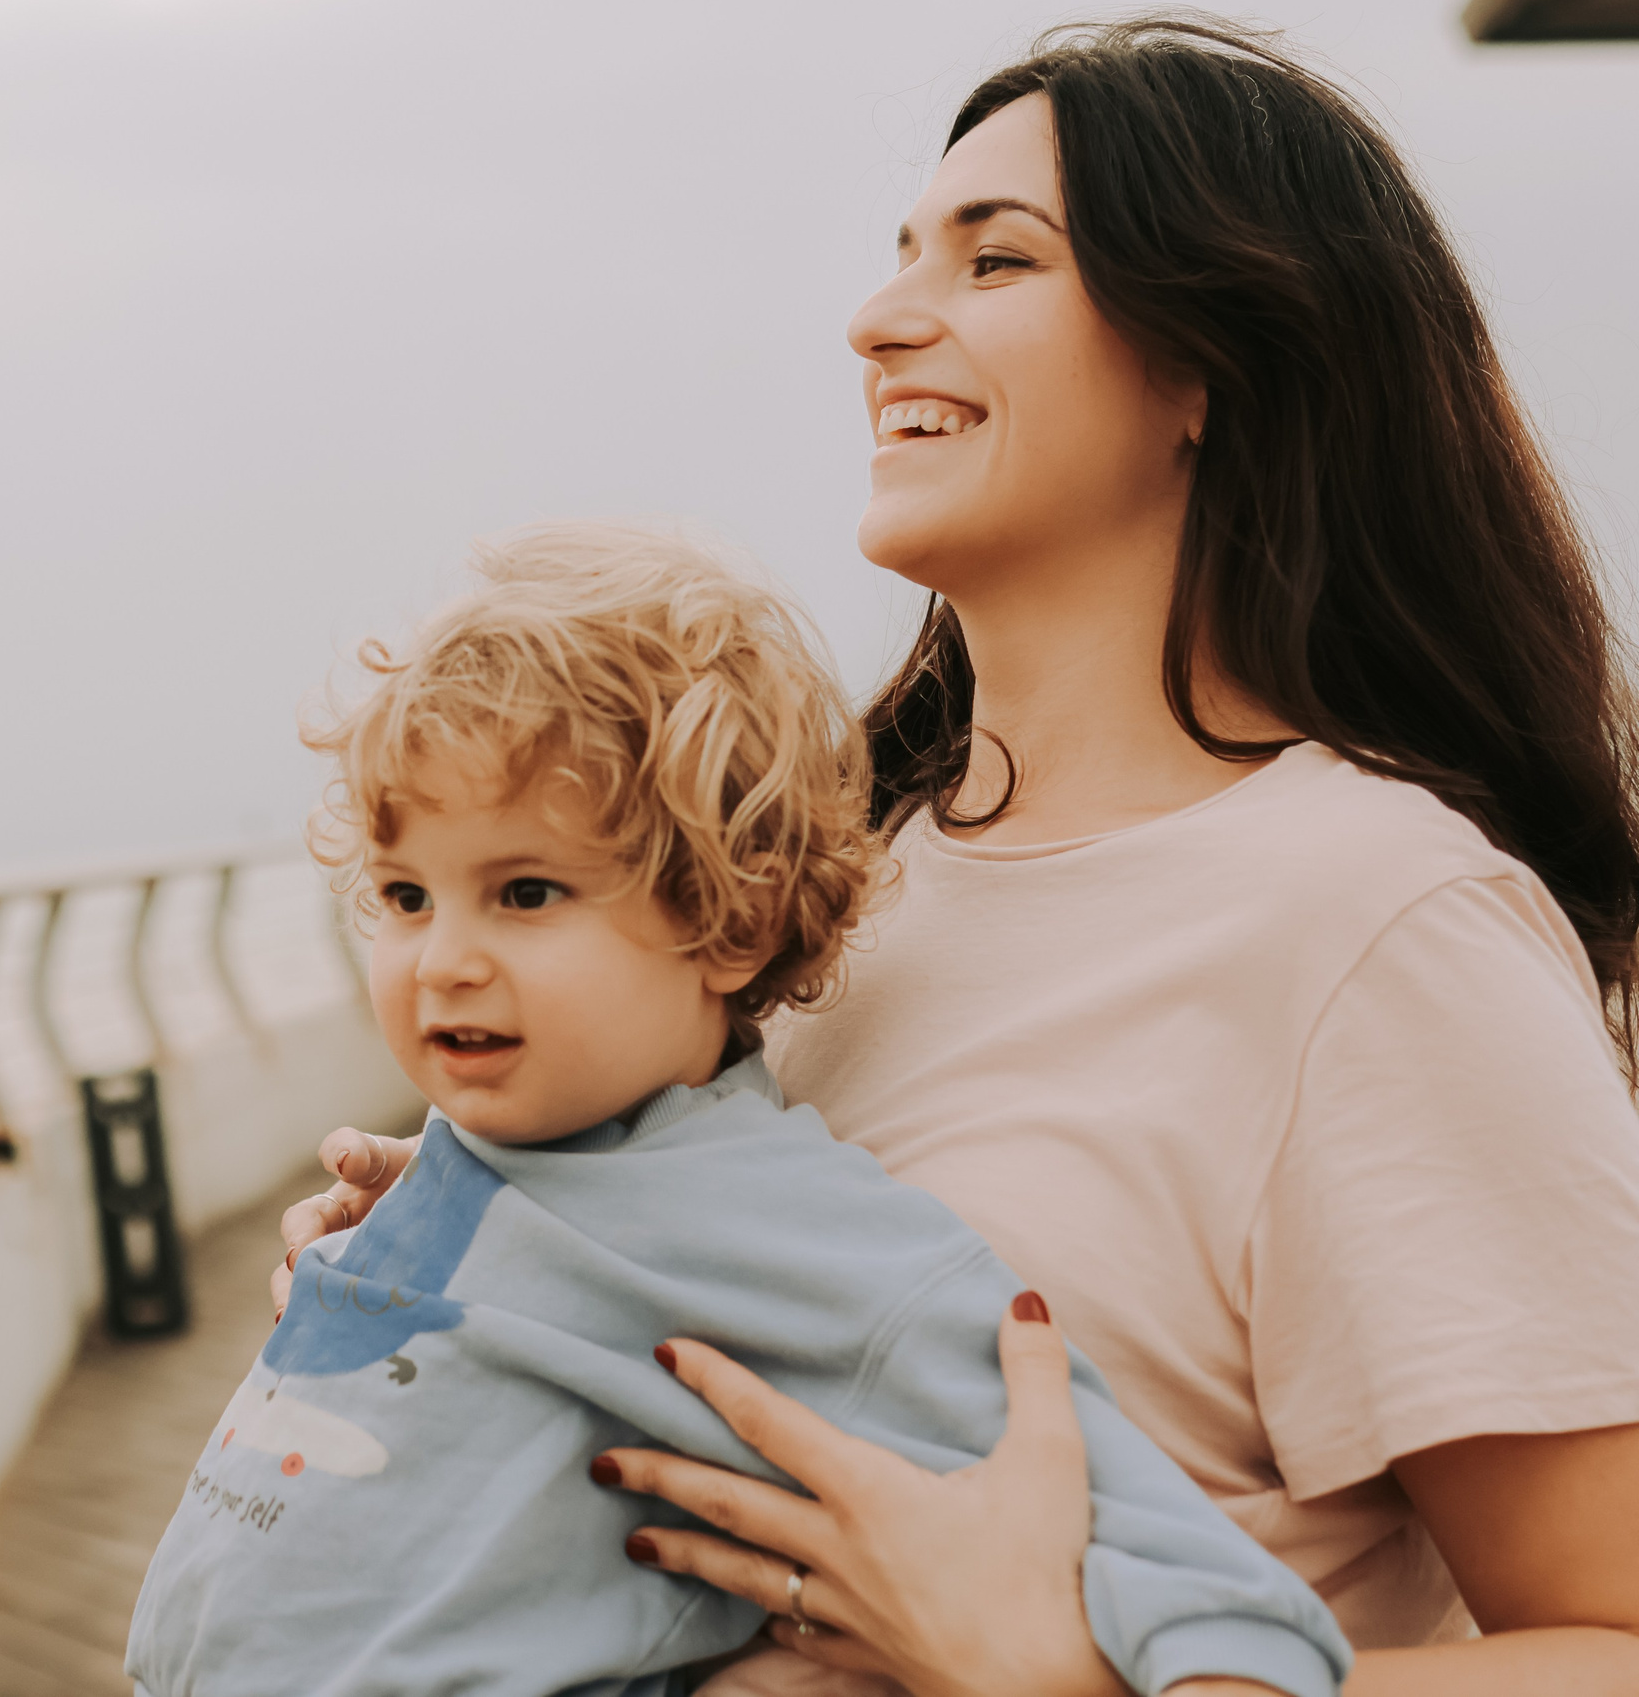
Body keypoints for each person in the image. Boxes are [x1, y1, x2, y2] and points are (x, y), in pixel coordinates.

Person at [275, 17, 1639, 1697]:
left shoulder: (1379, 918)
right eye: (903, 253)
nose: (879, 319)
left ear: (1216, 358)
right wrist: (509, 1255)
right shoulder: (840, 872)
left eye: (997, 260)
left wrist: (1079, 1673)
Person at [131, 528, 1350, 1697]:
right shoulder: (476, 1158)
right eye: (405, 895)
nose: (440, 959)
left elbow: (1208, 1593)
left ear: (731, 921)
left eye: (526, 891)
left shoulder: (788, 1229)